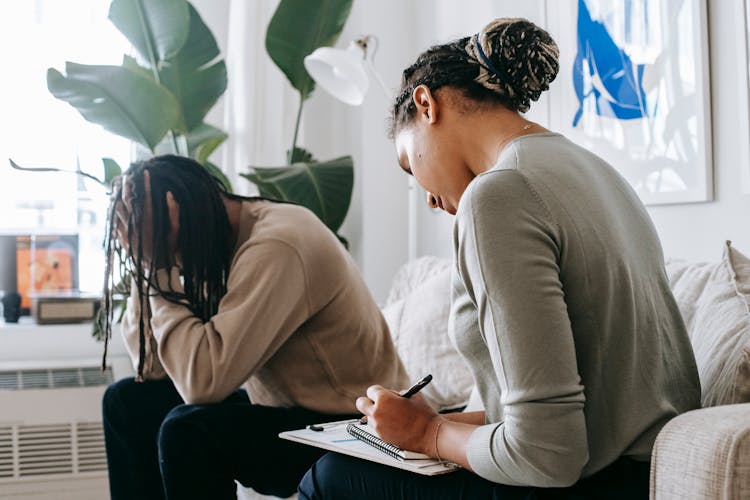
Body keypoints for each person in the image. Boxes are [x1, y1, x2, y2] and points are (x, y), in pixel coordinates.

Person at [298, 17, 700, 499]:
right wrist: (422, 422)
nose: (425, 198)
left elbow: (547, 454)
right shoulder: (599, 172)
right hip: (648, 472)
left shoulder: (498, 194)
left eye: (410, 165)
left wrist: (428, 435)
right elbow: (574, 399)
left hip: (588, 485)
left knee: (329, 478)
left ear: (425, 104)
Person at [100, 154, 409, 500]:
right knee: (126, 401)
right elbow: (151, 369)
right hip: (287, 412)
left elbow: (202, 386)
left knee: (188, 430)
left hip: (355, 428)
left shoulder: (277, 244)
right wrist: (146, 268)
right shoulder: (211, 247)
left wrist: (158, 265)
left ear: (187, 212)